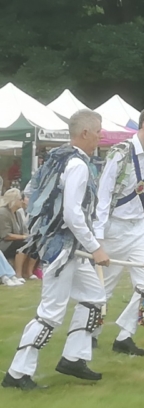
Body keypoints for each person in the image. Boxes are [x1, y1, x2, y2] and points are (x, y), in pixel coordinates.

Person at [2, 110, 109, 391]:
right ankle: (17, 373)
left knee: (95, 298)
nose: (101, 135)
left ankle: (73, 357)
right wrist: (95, 247)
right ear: (84, 133)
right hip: (62, 249)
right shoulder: (77, 165)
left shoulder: (59, 158)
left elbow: (30, 190)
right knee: (50, 313)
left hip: (67, 246)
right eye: (98, 130)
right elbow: (73, 214)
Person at [94, 106, 144, 357]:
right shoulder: (120, 153)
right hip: (113, 230)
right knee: (103, 290)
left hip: (138, 229)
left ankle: (125, 336)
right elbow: (103, 196)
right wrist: (97, 239)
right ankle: (89, 334)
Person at [0, 188, 37, 280]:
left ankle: (28, 272)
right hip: (4, 244)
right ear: (14, 200)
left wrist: (28, 237)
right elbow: (6, 235)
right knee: (23, 244)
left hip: (16, 241)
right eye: (20, 199)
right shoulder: (3, 213)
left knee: (35, 243)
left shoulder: (18, 213)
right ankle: (18, 274)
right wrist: (24, 237)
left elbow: (24, 231)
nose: (22, 201)